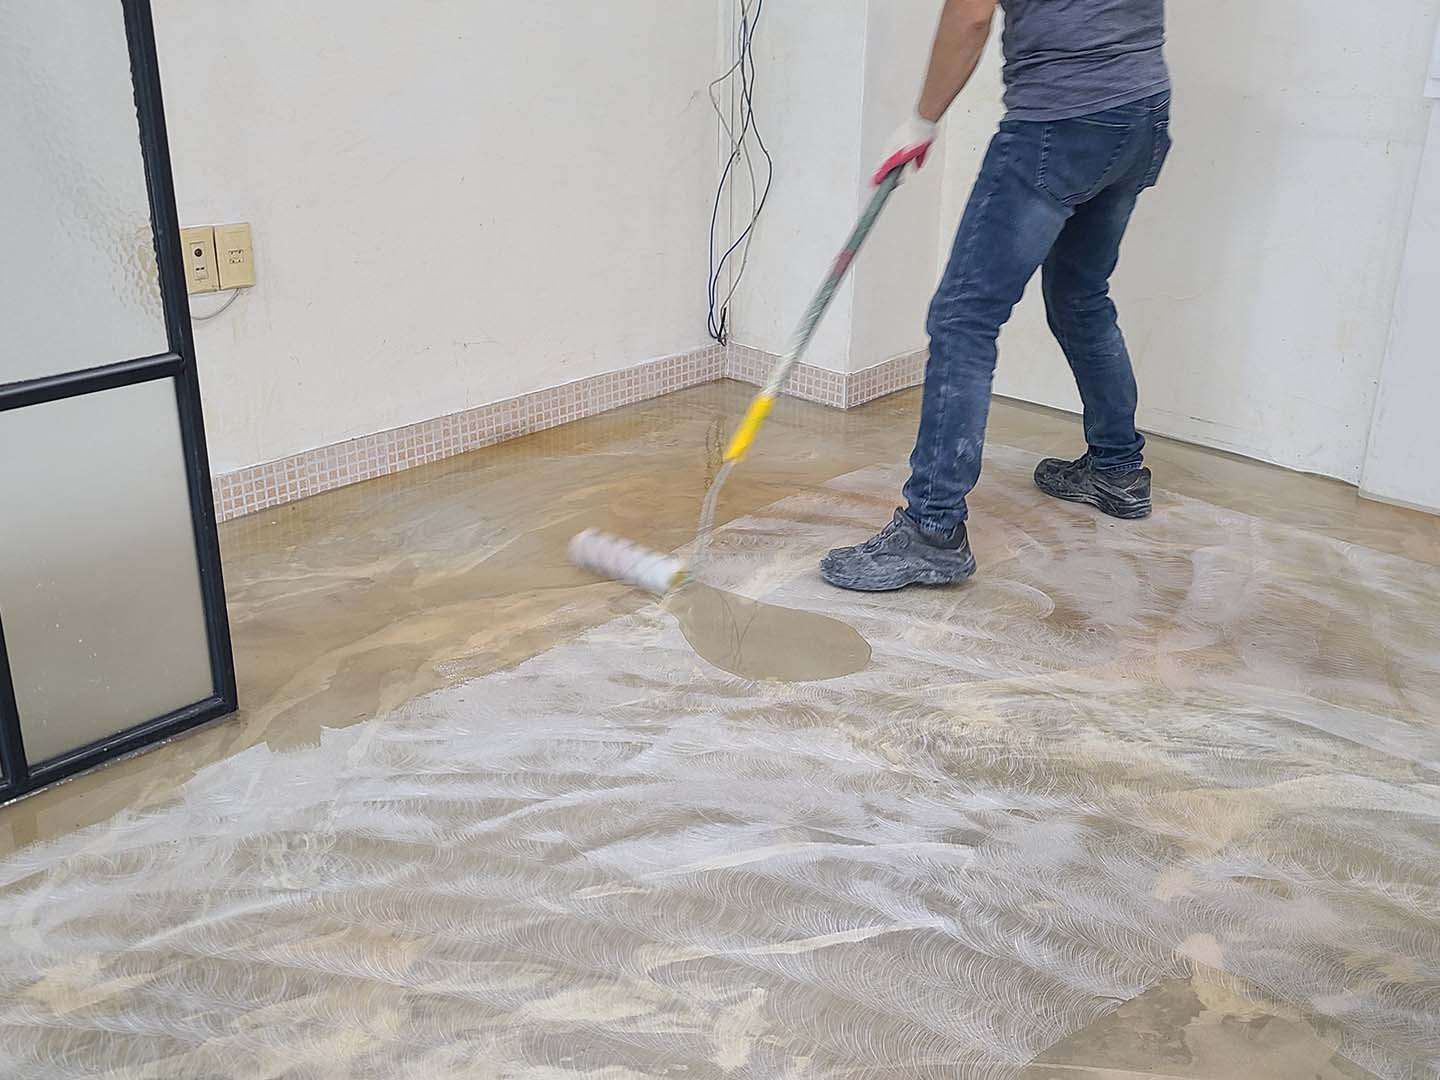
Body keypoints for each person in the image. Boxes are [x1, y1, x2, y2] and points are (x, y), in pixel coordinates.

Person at [820, 0, 1171, 592]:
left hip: (1061, 118)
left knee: (963, 319)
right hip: (1142, 109)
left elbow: (971, 17)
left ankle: (932, 529)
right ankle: (1117, 469)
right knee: (1081, 295)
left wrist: (923, 120)